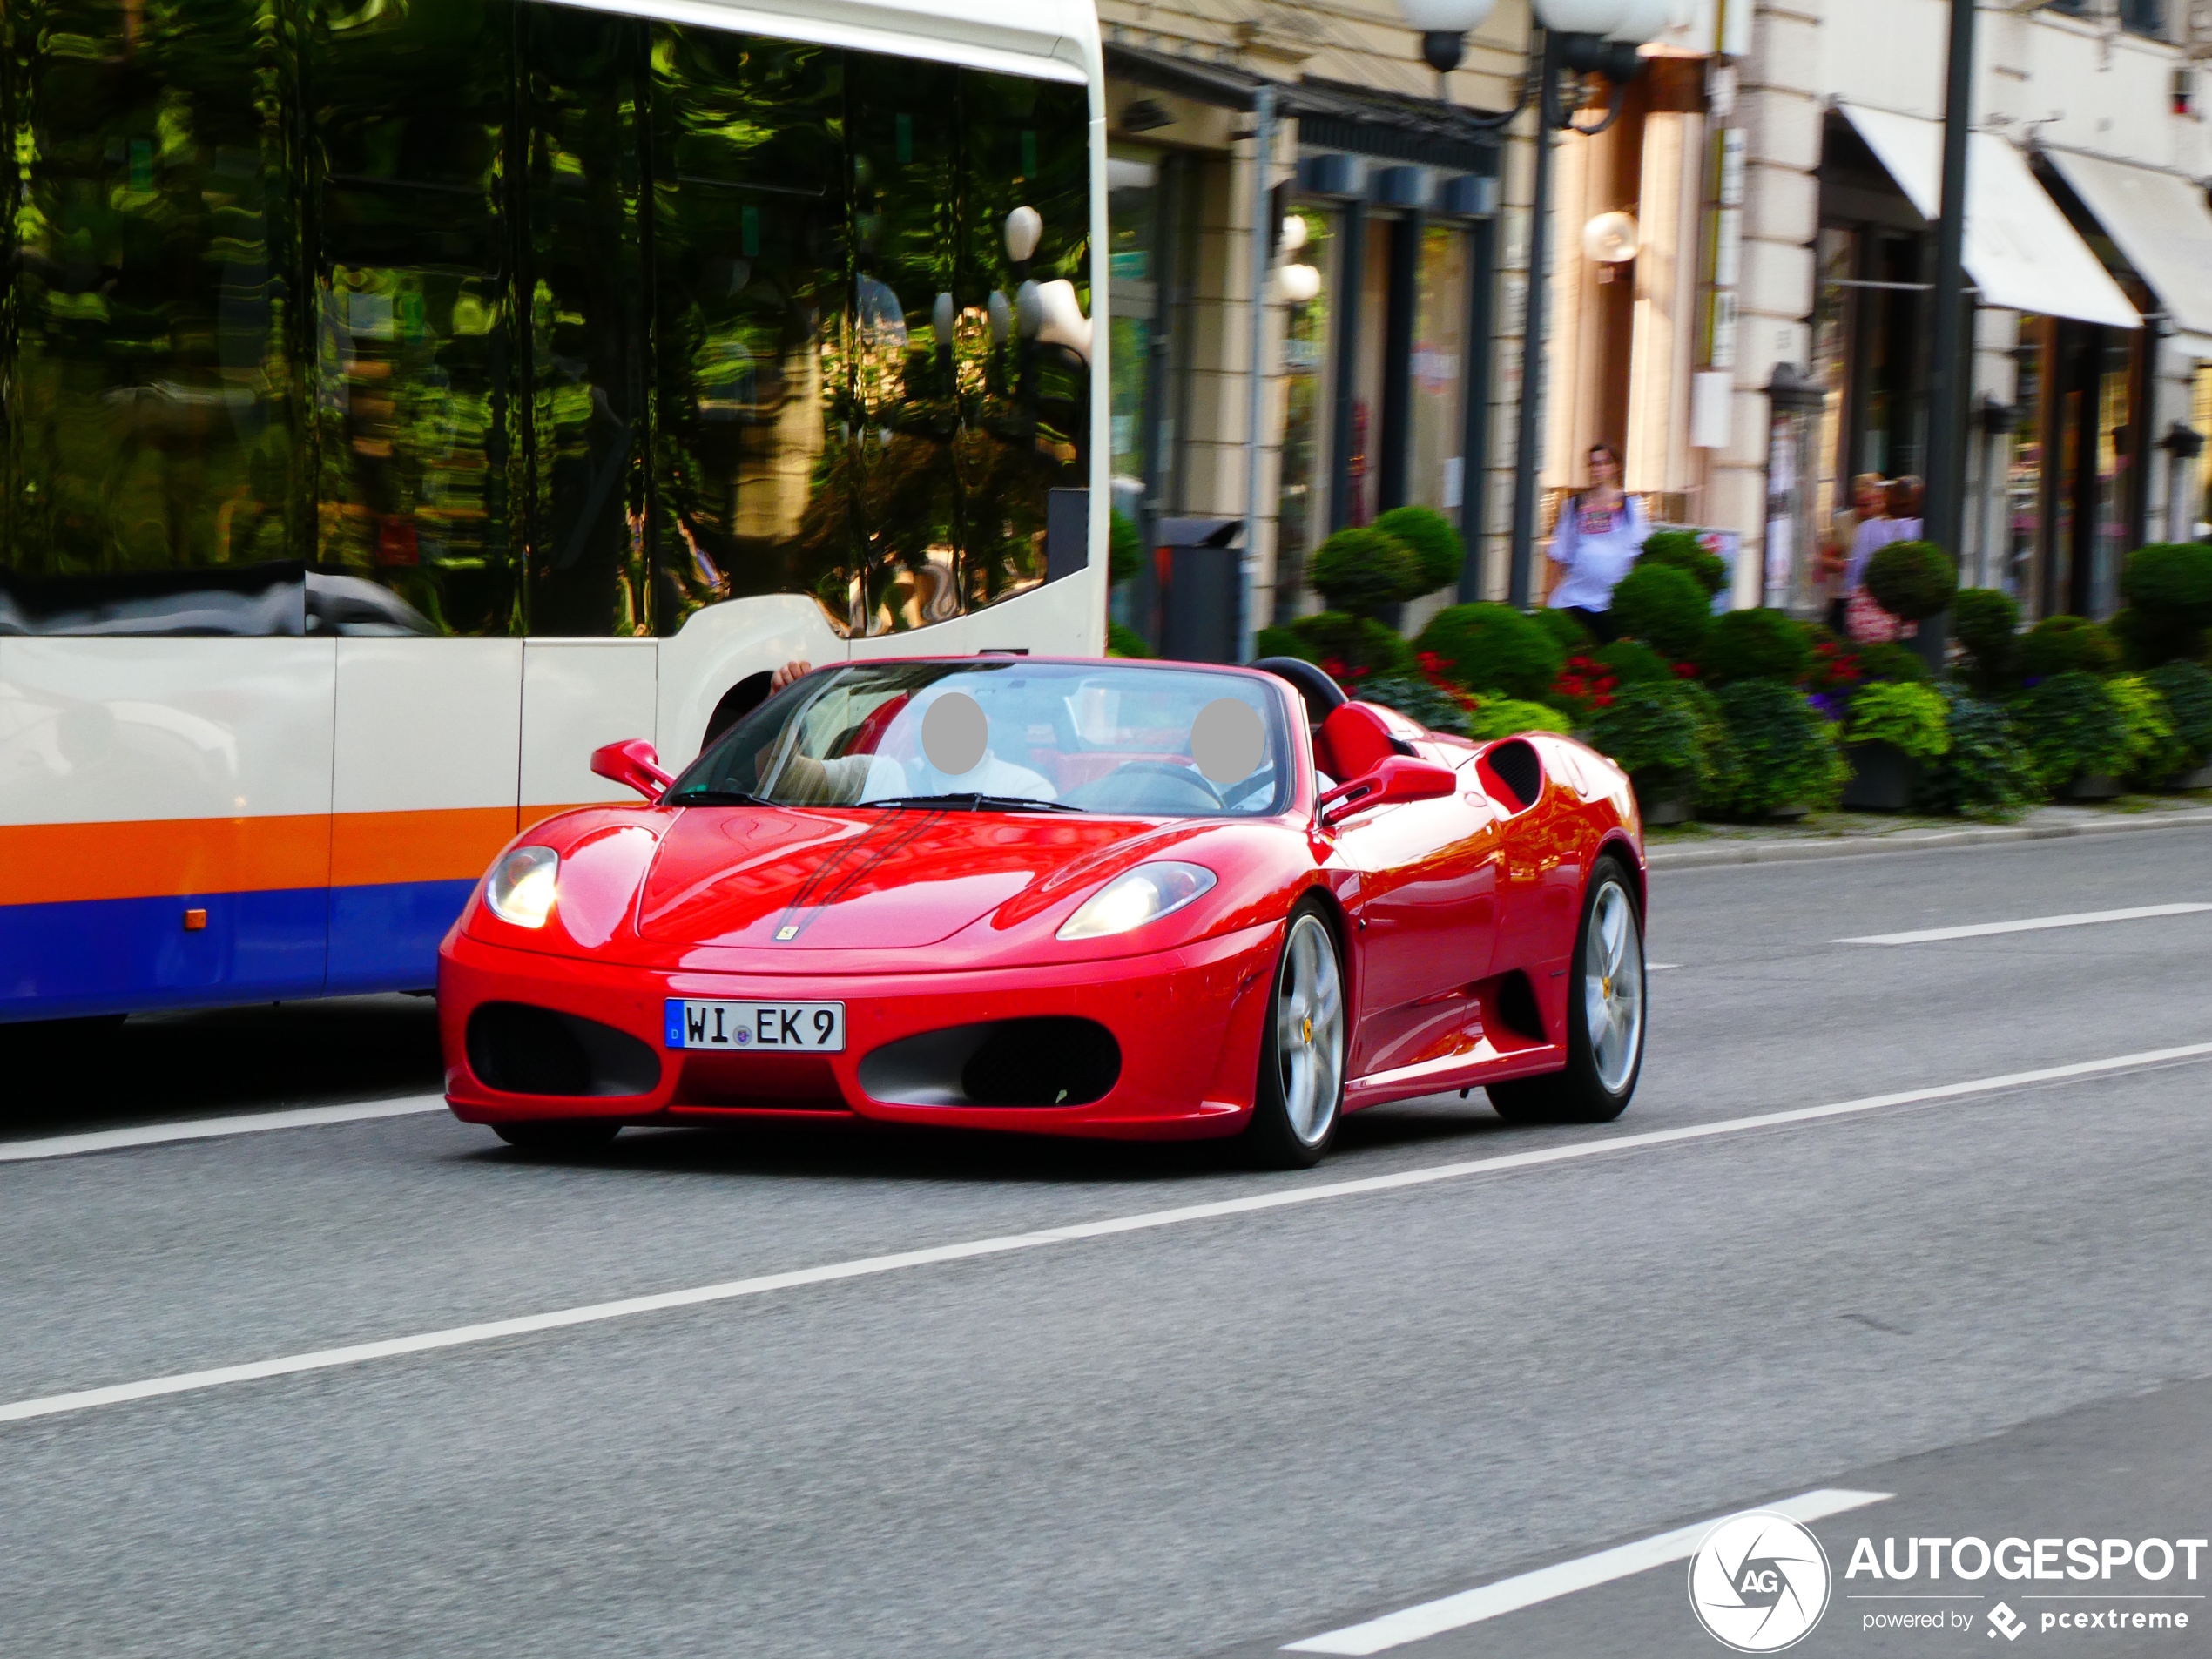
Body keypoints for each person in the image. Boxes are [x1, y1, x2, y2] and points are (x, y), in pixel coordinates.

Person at [1545, 442, 1648, 644]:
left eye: (1604, 463)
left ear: (1615, 467)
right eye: (1593, 464)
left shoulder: (1630, 506)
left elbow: (1640, 554)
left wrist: (1634, 607)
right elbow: (1558, 554)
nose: (1598, 469)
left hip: (1611, 602)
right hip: (1574, 599)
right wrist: (1548, 600)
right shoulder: (1574, 505)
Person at [1843, 475, 1924, 643]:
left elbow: (1856, 571)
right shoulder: (1921, 528)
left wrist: (1853, 600)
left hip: (1870, 615)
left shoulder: (1868, 527)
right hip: (1905, 613)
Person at [1822, 473, 1885, 633]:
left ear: (1880, 498)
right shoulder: (1843, 521)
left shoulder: (1890, 523)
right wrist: (1843, 565)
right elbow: (1825, 558)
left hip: (1879, 600)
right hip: (1847, 598)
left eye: (1868, 504)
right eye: (1859, 504)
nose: (1863, 510)